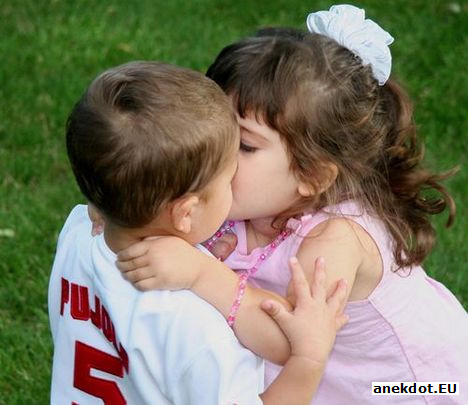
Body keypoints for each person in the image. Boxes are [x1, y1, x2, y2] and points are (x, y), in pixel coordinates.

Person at [115, 5, 468, 404]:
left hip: (399, 387)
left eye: (245, 145)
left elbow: (291, 340)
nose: (219, 152)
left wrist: (199, 273)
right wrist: (125, 210)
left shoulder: (333, 242)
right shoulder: (247, 196)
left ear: (311, 176)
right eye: (219, 131)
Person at [48, 61, 348, 404]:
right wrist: (308, 359)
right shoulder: (195, 325)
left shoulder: (79, 231)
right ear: (186, 213)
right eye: (229, 178)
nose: (235, 183)